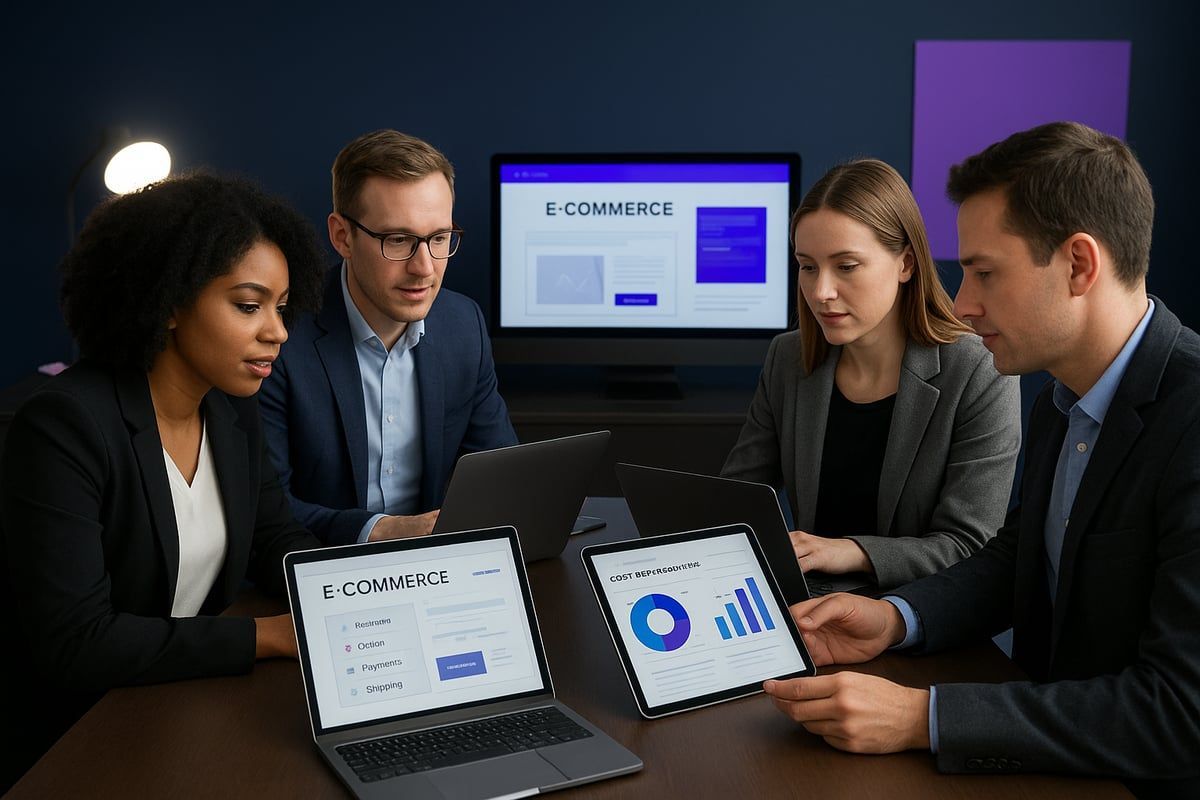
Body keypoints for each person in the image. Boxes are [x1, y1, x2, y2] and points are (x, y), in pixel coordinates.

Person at [762, 122, 1200, 798]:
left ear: (1080, 265)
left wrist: (924, 716)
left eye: (983, 272)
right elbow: (1014, 558)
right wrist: (895, 618)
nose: (962, 303)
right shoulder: (1065, 395)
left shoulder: (1190, 417)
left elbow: (1179, 715)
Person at [0, 172, 327, 790]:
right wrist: (265, 637)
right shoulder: (65, 425)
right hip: (76, 739)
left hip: (184, 706)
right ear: (171, 302)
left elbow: (276, 536)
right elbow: (77, 642)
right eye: (249, 305)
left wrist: (357, 596)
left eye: (281, 309)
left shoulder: (233, 410)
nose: (277, 331)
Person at [722, 159, 1021, 590]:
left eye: (846, 266)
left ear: (906, 264)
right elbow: (736, 500)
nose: (821, 292)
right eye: (807, 267)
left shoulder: (977, 369)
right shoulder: (787, 358)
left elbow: (969, 544)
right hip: (808, 605)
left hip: (917, 615)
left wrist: (853, 551)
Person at [259, 130, 517, 547]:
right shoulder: (279, 337)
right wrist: (382, 531)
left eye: (438, 239)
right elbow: (265, 509)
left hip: (438, 571)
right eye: (398, 240)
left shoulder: (463, 324)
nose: (424, 268)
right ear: (342, 236)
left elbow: (501, 475)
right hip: (315, 573)